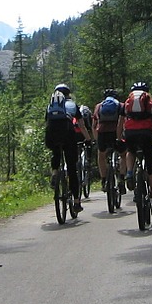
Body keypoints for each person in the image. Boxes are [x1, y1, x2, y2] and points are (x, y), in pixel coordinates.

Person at [119, 81, 152, 215]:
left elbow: (120, 123)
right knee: (151, 170)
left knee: (130, 151)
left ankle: (129, 173)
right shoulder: (151, 104)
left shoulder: (126, 104)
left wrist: (119, 138)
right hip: (147, 134)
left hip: (130, 134)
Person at [44, 83, 84, 215]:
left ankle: (55, 172)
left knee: (56, 152)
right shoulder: (72, 105)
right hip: (68, 135)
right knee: (72, 169)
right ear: (68, 94)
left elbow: (46, 122)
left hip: (52, 135)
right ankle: (77, 202)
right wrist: (88, 139)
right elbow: (82, 125)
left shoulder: (50, 106)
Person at [92, 88, 126, 193]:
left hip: (103, 133)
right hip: (116, 133)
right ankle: (121, 178)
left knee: (101, 156)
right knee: (123, 155)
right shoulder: (121, 105)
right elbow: (124, 121)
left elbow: (94, 125)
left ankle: (103, 180)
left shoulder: (99, 106)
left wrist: (97, 140)